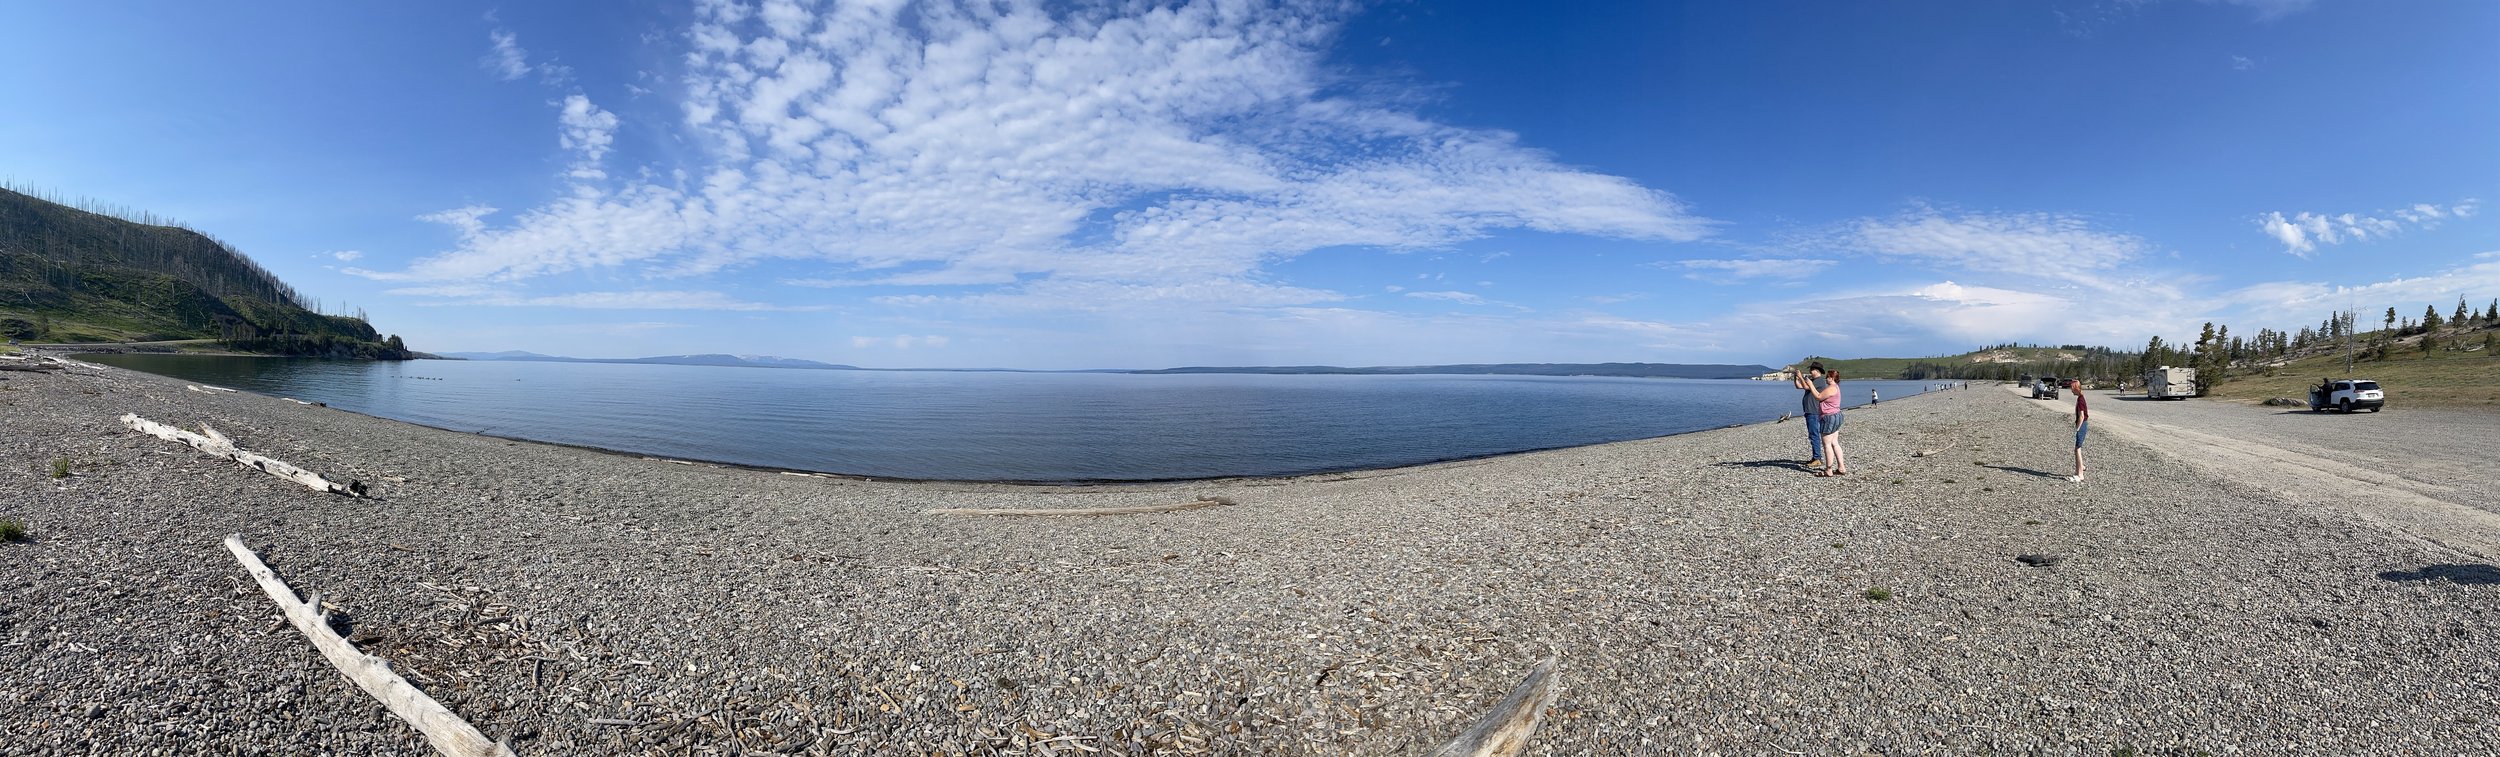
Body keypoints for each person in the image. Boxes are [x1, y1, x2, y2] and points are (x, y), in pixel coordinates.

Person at [1789, 363, 1827, 469]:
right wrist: (1796, 377)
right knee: (1812, 434)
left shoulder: (1819, 381)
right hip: (1809, 411)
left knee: (1814, 435)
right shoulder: (1813, 381)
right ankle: (1816, 457)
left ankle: (1817, 458)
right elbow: (1799, 386)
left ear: (1817, 371)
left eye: (1812, 370)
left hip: (1813, 411)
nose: (1810, 371)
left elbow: (1805, 386)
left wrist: (1801, 376)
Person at [1813, 368, 1849, 477]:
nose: (1826, 379)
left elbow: (1818, 397)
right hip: (1836, 415)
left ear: (1832, 378)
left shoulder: (1832, 388)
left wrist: (1810, 384)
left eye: (1828, 377)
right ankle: (1841, 467)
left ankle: (1828, 470)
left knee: (1827, 444)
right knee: (1834, 443)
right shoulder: (1836, 388)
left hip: (1829, 417)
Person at [2066, 379, 2088, 482]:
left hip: (2082, 425)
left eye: (2071, 388)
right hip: (2083, 425)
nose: (2071, 390)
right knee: (2077, 449)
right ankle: (2081, 467)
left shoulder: (2080, 400)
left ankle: (2080, 475)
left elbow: (2082, 416)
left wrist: (2077, 429)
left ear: (2075, 388)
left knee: (2077, 449)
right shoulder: (2081, 398)